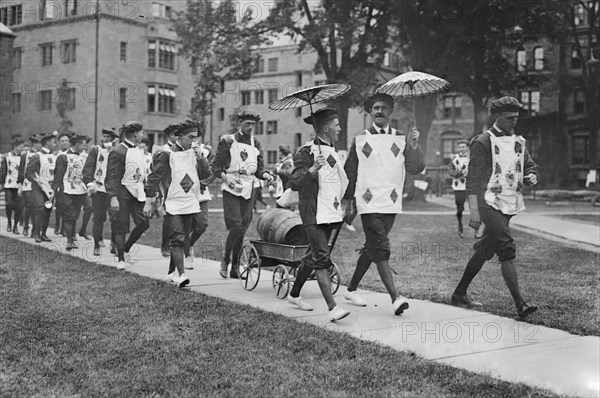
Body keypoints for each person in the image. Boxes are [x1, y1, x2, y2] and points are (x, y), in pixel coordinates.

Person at [451, 96, 539, 319]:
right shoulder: (482, 141)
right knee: (506, 247)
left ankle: (459, 293)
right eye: (510, 118)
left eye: (516, 118)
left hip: (509, 202)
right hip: (487, 202)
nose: (514, 122)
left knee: (485, 250)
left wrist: (530, 175)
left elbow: (529, 165)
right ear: (498, 117)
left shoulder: (519, 141)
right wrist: (474, 210)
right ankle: (521, 305)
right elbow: (472, 179)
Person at [342, 93, 425, 315]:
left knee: (373, 248)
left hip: (391, 200)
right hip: (367, 200)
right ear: (370, 112)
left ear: (390, 112)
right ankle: (395, 298)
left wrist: (415, 146)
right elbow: (351, 171)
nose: (379, 111)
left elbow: (416, 167)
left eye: (384, 108)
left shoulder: (400, 138)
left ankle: (350, 289)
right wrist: (348, 202)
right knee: (380, 245)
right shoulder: (360, 140)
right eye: (375, 108)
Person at [286, 108, 350, 322]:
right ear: (325, 128)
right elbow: (294, 183)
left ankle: (294, 294)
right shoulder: (305, 152)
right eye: (337, 125)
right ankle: (333, 308)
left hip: (330, 211)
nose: (339, 128)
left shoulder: (333, 150)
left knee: (313, 256)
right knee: (322, 258)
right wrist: (312, 169)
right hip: (312, 213)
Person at [144, 120, 212, 287]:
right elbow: (154, 178)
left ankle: (170, 273)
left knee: (182, 238)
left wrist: (200, 158)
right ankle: (181, 275)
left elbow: (207, 176)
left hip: (190, 202)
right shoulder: (166, 155)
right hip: (173, 202)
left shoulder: (196, 154)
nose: (194, 142)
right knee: (178, 238)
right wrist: (148, 200)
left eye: (196, 138)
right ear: (180, 137)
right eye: (191, 138)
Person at [212, 108, 273, 279]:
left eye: (253, 124)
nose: (250, 127)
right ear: (240, 123)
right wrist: (225, 177)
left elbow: (259, 170)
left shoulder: (256, 143)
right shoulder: (227, 141)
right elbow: (216, 167)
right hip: (231, 187)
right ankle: (225, 261)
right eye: (247, 124)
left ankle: (235, 268)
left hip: (249, 188)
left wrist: (267, 175)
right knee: (236, 227)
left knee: (242, 230)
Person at [105, 121, 150, 269]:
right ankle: (120, 259)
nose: (143, 135)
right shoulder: (118, 151)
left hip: (136, 194)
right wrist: (113, 197)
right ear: (135, 134)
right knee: (121, 227)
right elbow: (111, 176)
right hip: (121, 195)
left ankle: (126, 248)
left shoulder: (138, 150)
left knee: (144, 223)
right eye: (141, 133)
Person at [82, 128, 120, 256]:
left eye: (108, 137)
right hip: (98, 189)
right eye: (103, 137)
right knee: (98, 218)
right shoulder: (96, 150)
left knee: (115, 218)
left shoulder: (118, 150)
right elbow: (88, 168)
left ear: (113, 139)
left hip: (112, 190)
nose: (105, 140)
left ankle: (114, 243)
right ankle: (96, 244)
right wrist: (90, 183)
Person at [52, 134, 88, 250]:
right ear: (77, 145)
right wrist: (54, 191)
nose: (85, 146)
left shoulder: (82, 157)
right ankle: (69, 240)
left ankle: (72, 236)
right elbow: (58, 176)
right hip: (67, 190)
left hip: (79, 190)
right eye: (83, 144)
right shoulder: (63, 157)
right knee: (69, 214)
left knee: (75, 214)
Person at [25, 133, 57, 243]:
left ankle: (43, 234)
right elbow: (28, 173)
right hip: (38, 188)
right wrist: (36, 180)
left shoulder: (55, 156)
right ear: (47, 143)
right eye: (53, 142)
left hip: (50, 189)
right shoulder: (37, 156)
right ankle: (37, 234)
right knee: (40, 209)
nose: (55, 144)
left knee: (48, 210)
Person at [154, 124, 178, 257]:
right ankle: (165, 246)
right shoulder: (163, 150)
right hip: (167, 186)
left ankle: (177, 245)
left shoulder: (182, 149)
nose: (178, 137)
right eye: (175, 135)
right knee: (168, 217)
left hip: (180, 186)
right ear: (170, 136)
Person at [17, 134, 42, 237]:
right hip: (28, 183)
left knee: (38, 207)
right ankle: (26, 225)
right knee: (29, 204)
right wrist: (20, 185)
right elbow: (21, 171)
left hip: (40, 184)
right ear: (34, 144)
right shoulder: (25, 155)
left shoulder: (42, 155)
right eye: (39, 143)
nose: (40, 145)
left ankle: (35, 230)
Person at [0, 137, 24, 234]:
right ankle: (9, 221)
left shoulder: (23, 157)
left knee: (19, 207)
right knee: (9, 204)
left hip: (19, 185)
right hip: (9, 184)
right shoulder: (7, 156)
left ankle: (15, 226)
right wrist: (1, 182)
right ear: (15, 146)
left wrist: (22, 184)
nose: (22, 148)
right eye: (20, 146)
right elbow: (3, 170)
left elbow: (23, 171)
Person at [449, 139, 470, 238]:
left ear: (467, 148)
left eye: (463, 147)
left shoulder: (471, 158)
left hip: (470, 185)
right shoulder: (454, 159)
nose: (461, 149)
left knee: (476, 207)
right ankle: (460, 225)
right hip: (458, 186)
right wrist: (461, 173)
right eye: (460, 147)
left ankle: (477, 229)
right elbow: (451, 172)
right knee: (460, 206)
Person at [53, 132, 71, 236]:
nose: (64, 143)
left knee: (66, 206)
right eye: (62, 141)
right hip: (59, 183)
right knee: (59, 205)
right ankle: (57, 223)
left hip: (68, 183)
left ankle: (64, 228)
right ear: (59, 143)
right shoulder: (56, 154)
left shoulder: (71, 154)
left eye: (66, 141)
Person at [77, 136, 94, 240]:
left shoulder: (89, 156)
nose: (86, 146)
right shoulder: (80, 156)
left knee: (89, 207)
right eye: (85, 144)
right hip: (76, 185)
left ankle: (83, 230)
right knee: (75, 210)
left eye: (87, 144)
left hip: (85, 186)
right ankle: (69, 232)